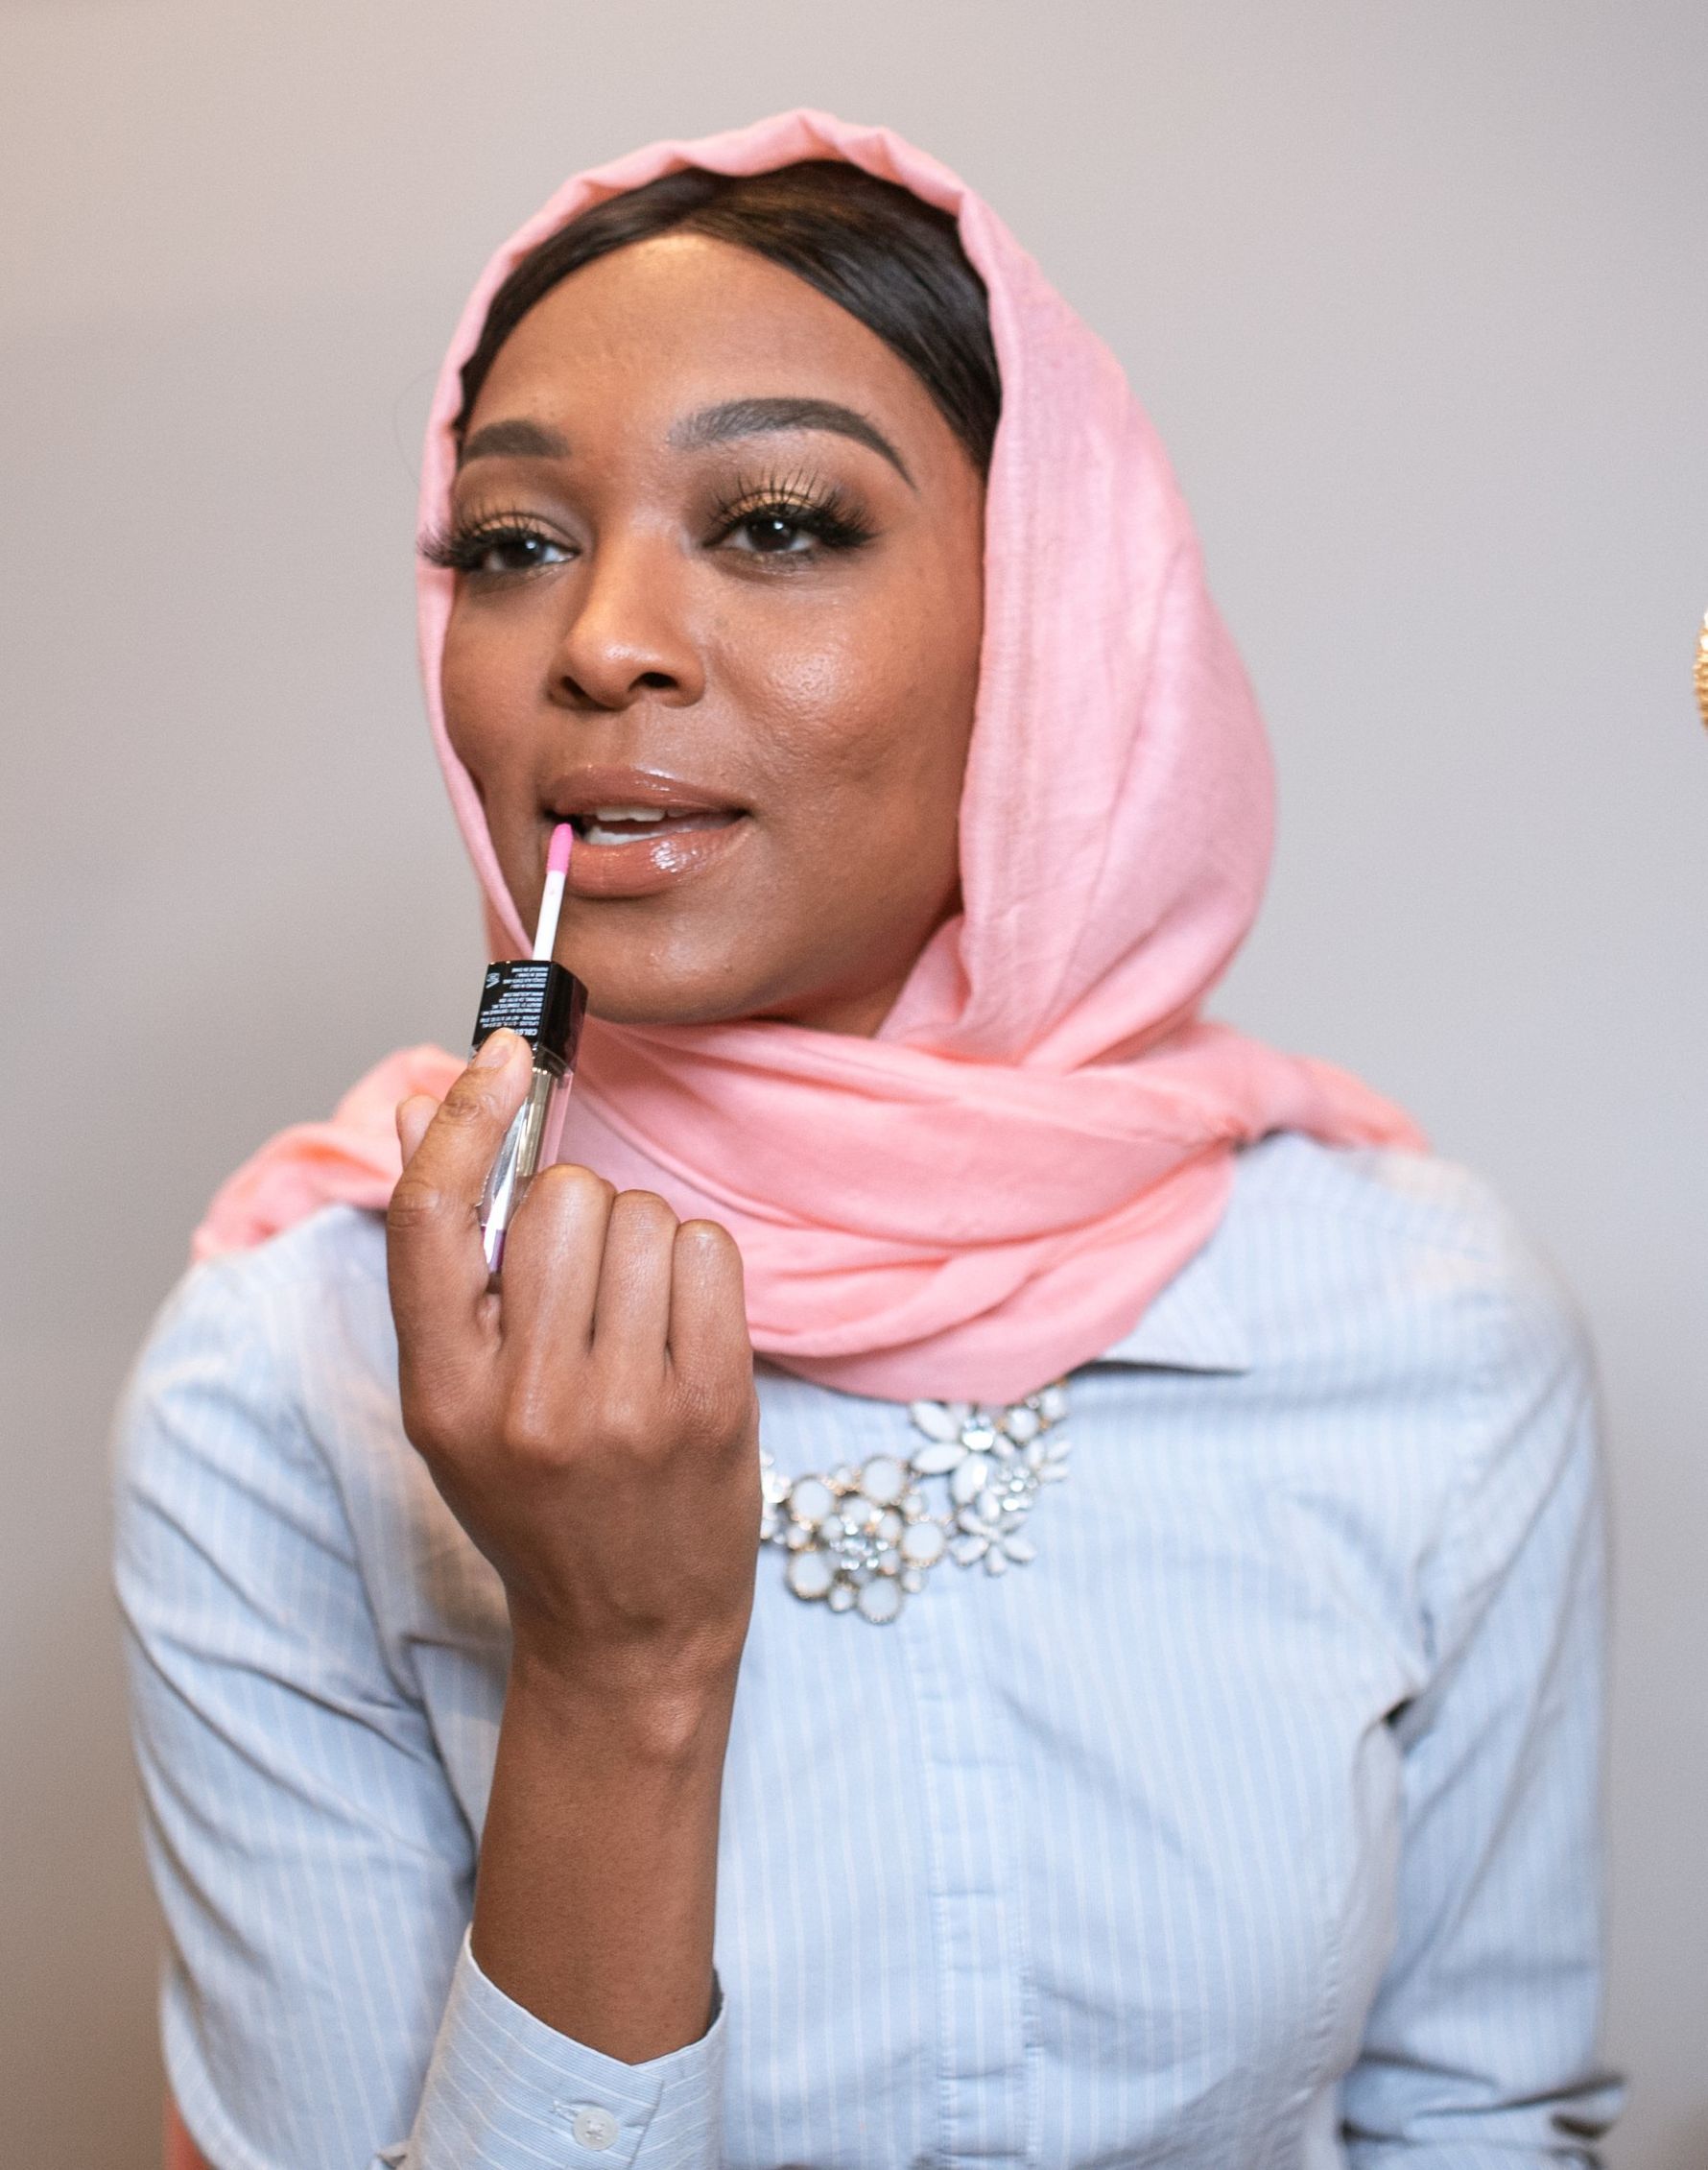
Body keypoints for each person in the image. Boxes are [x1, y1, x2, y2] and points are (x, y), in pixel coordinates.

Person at [114, 109, 1624, 2170]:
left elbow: (1474, 2121)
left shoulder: (1416, 1319)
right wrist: (619, 1674)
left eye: (777, 523)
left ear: (1052, 632)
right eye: (514, 541)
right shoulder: (287, 1374)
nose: (599, 641)